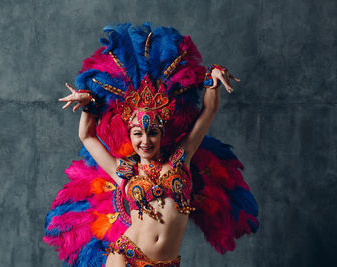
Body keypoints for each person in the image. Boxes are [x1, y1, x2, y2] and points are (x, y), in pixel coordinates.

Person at [44, 23, 259, 267]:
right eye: (138, 134)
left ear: (161, 133)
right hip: (126, 256)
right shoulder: (123, 170)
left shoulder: (181, 157)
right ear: (129, 135)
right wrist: (89, 105)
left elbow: (209, 110)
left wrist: (212, 78)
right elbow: (88, 137)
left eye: (152, 133)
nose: (145, 141)